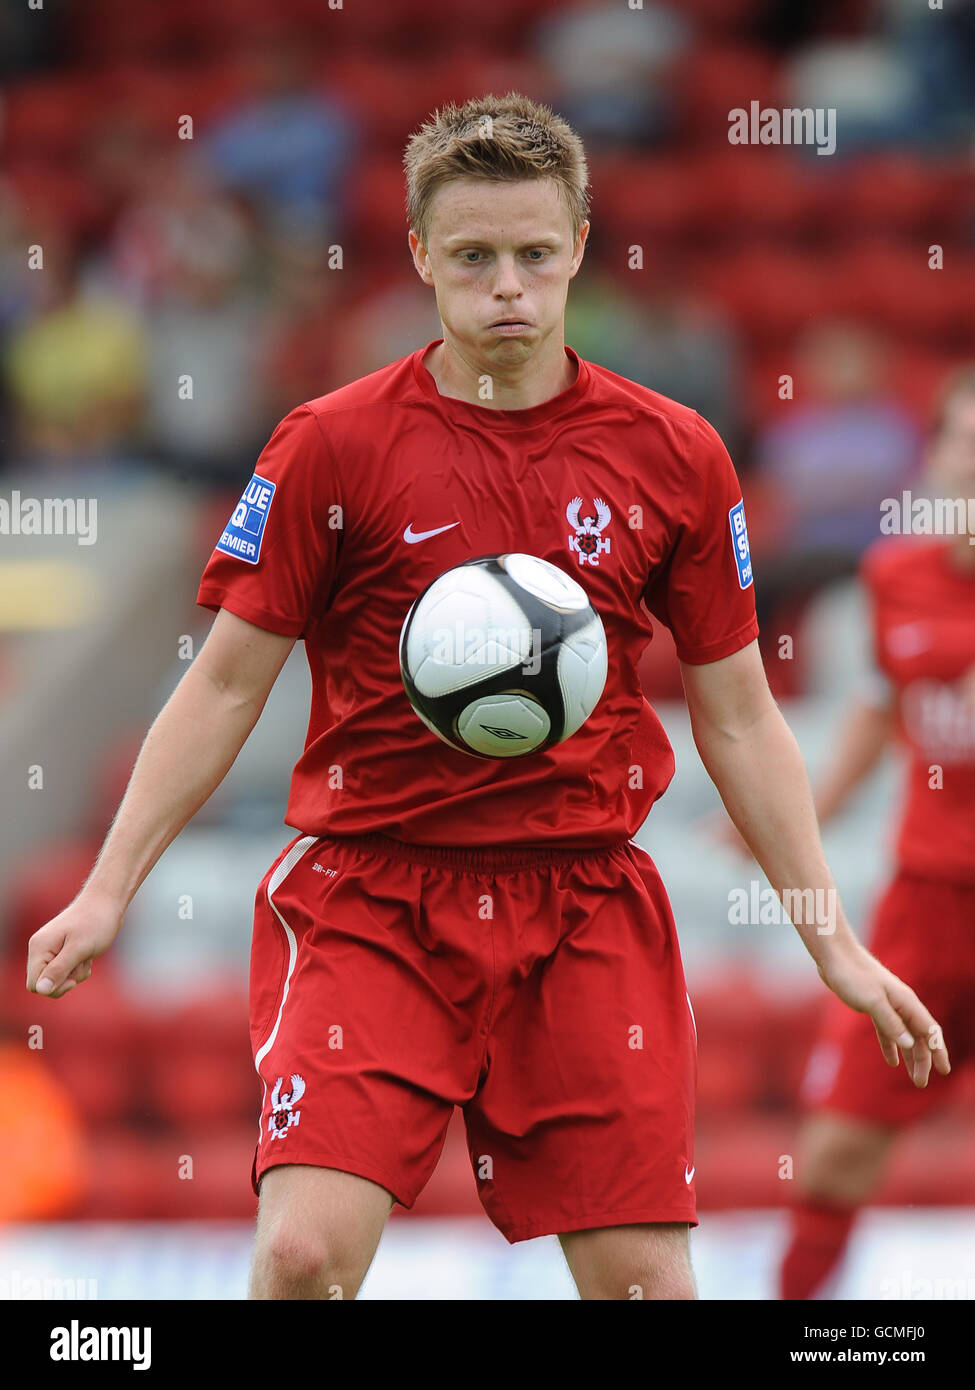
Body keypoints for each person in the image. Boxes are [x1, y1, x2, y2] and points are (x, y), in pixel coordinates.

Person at [26, 92, 949, 1302]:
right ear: (420, 255)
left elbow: (737, 715)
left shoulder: (674, 453)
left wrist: (831, 939)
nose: (505, 284)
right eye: (472, 256)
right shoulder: (331, 446)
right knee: (304, 1256)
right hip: (374, 889)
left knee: (643, 1290)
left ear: (576, 247)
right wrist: (108, 885)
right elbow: (225, 684)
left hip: (582, 901)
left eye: (531, 253)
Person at [778, 366, 975, 1300]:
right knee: (829, 1161)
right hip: (926, 910)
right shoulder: (894, 574)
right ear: (933, 455)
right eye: (962, 440)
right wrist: (801, 813)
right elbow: (877, 704)